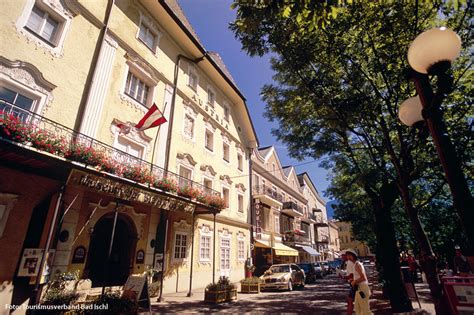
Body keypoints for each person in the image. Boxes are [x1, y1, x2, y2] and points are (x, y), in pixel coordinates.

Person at [346, 249, 373, 315]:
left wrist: (354, 281)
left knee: (365, 309)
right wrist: (353, 280)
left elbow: (363, 278)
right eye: (347, 255)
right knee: (357, 308)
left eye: (350, 255)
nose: (348, 257)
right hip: (359, 288)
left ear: (354, 256)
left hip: (362, 288)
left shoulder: (357, 265)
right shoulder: (355, 264)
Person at [340, 251, 356, 315]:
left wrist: (344, 277)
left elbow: (352, 274)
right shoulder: (348, 262)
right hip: (353, 283)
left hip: (354, 284)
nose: (341, 257)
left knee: (350, 301)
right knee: (350, 301)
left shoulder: (350, 262)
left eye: (343, 255)